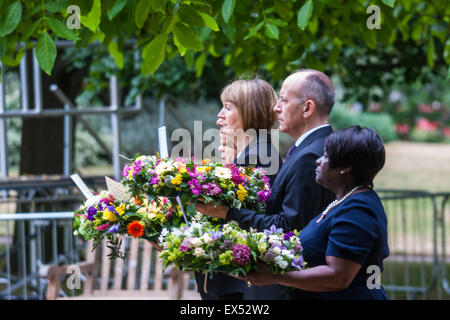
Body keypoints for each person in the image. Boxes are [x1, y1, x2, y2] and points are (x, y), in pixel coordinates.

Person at [196, 69, 336, 299]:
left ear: (307, 108)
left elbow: (290, 226)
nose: (276, 108)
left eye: (284, 100)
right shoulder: (301, 150)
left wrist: (226, 212)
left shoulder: (304, 156)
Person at [238, 126, 390, 300]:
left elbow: (337, 276)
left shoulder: (357, 210)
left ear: (346, 168)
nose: (318, 161)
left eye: (326, 156)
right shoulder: (343, 202)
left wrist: (273, 276)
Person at [195, 78, 283, 300]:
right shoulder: (253, 153)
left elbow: (246, 218)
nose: (219, 117)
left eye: (227, 107)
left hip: (241, 287)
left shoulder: (258, 155)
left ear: (249, 111)